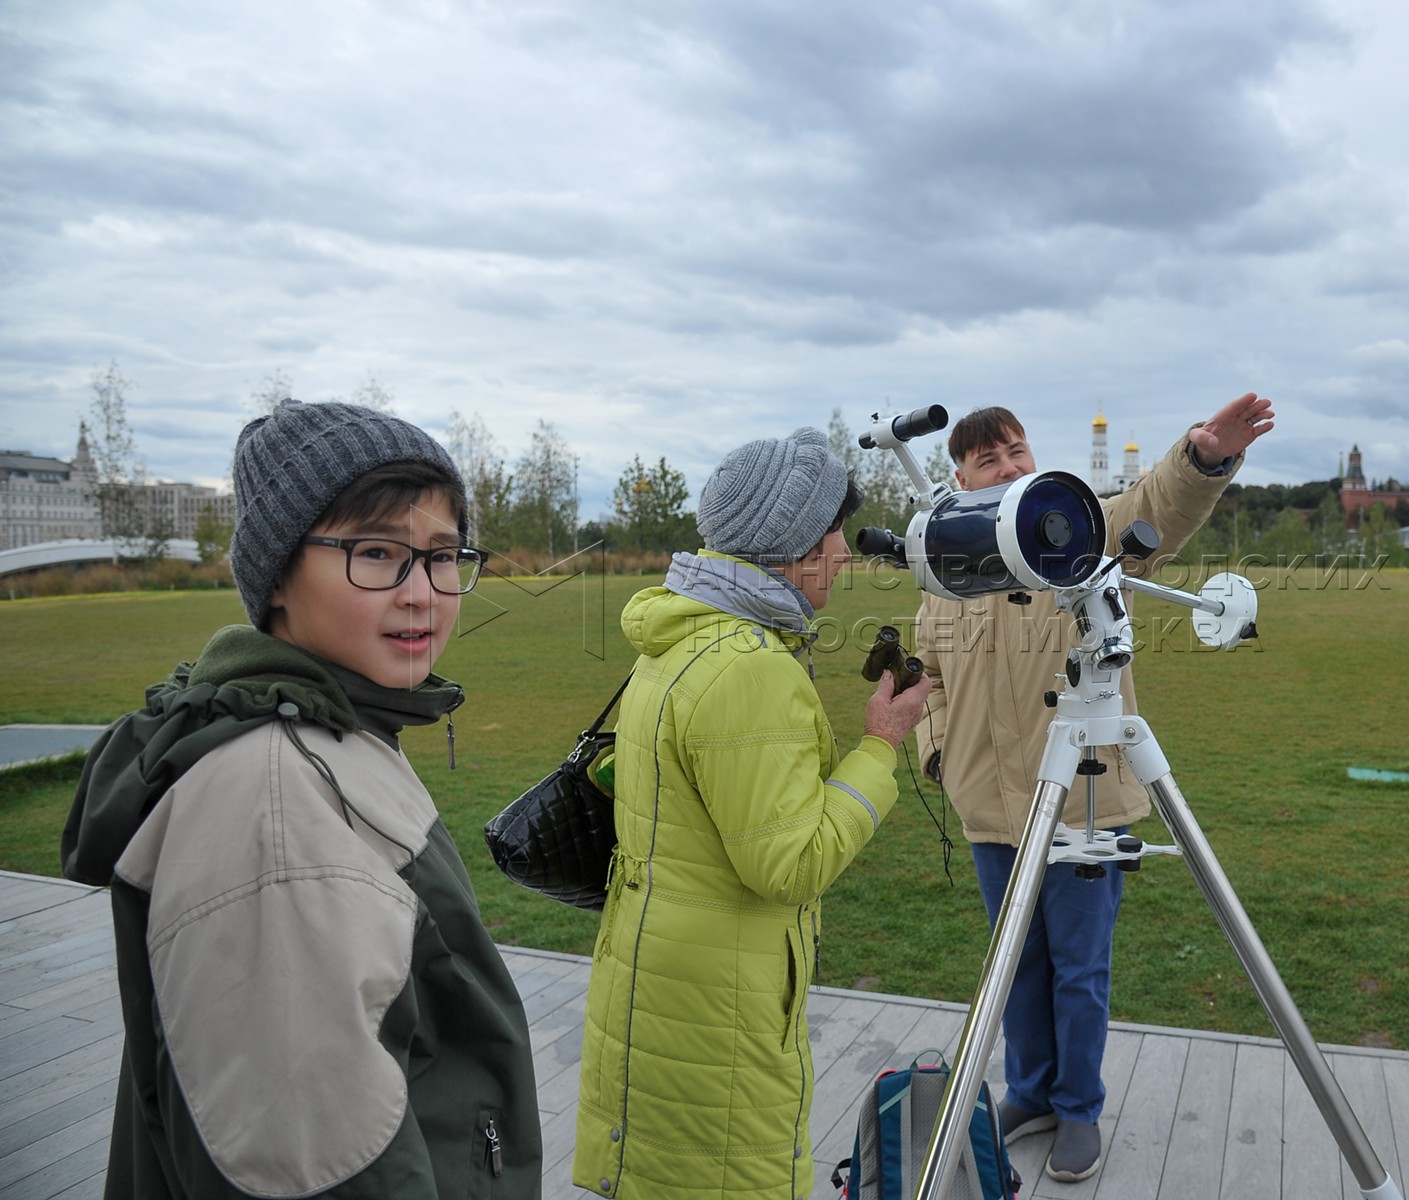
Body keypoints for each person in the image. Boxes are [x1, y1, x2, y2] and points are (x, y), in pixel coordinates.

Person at [62, 399, 543, 1199]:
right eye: (377, 553)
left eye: (442, 556)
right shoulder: (275, 806)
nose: (423, 593)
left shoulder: (337, 727)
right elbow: (316, 1164)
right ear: (279, 574)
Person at [912, 394, 1274, 1182]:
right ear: (959, 479)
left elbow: (1153, 509)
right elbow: (926, 679)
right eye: (986, 459)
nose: (1007, 467)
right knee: (1016, 966)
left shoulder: (1075, 529)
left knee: (1078, 967)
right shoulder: (944, 575)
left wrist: (1202, 459)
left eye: (1016, 450)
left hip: (1083, 797)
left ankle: (1077, 1108)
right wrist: (938, 754)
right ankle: (1030, 1092)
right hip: (988, 807)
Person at [573, 427, 931, 1200]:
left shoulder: (683, 633)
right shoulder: (750, 667)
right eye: (834, 534)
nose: (844, 555)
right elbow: (789, 863)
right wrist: (880, 745)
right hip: (716, 1008)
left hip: (663, 978)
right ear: (793, 544)